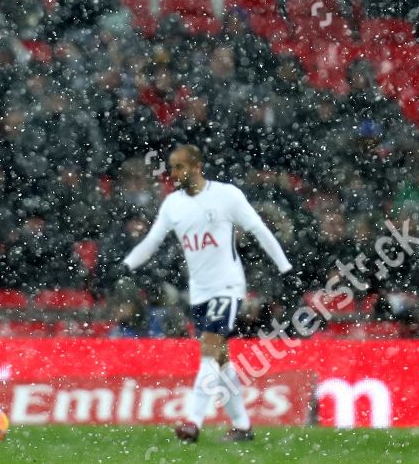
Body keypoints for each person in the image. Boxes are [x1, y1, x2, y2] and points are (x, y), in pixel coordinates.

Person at [121, 145, 293, 445]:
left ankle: (193, 422)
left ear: (197, 165)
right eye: (171, 168)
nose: (174, 174)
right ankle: (242, 426)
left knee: (209, 349)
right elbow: (152, 241)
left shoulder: (227, 195)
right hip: (199, 292)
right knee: (222, 359)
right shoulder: (173, 204)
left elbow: (259, 229)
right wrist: (125, 265)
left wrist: (285, 267)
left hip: (228, 286)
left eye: (179, 167)